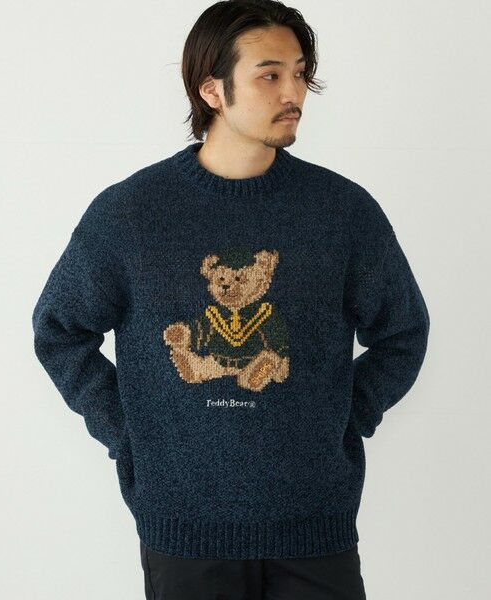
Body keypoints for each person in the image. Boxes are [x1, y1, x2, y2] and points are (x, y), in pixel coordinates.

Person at [32, 1, 430, 598]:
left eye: (300, 73)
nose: (293, 92)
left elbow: (402, 332)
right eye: (270, 75)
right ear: (211, 89)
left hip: (314, 522)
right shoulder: (132, 214)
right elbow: (60, 330)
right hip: (184, 527)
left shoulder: (341, 212)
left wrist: (346, 418)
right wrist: (128, 433)